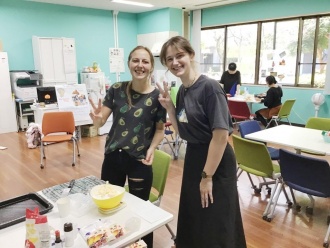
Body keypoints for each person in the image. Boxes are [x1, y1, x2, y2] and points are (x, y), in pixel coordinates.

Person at [157, 36, 246, 248]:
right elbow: (183, 133)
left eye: (179, 56)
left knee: (216, 217)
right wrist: (170, 108)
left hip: (216, 160)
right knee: (194, 211)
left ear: (191, 55)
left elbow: (221, 136)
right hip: (195, 157)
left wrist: (207, 177)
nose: (175, 62)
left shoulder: (210, 88)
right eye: (169, 59)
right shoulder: (182, 91)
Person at [89, 46, 166, 248]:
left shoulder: (158, 97)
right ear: (129, 63)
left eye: (145, 61)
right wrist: (97, 120)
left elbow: (160, 130)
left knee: (140, 211)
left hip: (139, 160)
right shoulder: (116, 89)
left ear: (151, 66)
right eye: (135, 60)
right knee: (108, 209)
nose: (140, 65)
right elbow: (100, 122)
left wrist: (152, 149)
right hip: (113, 157)